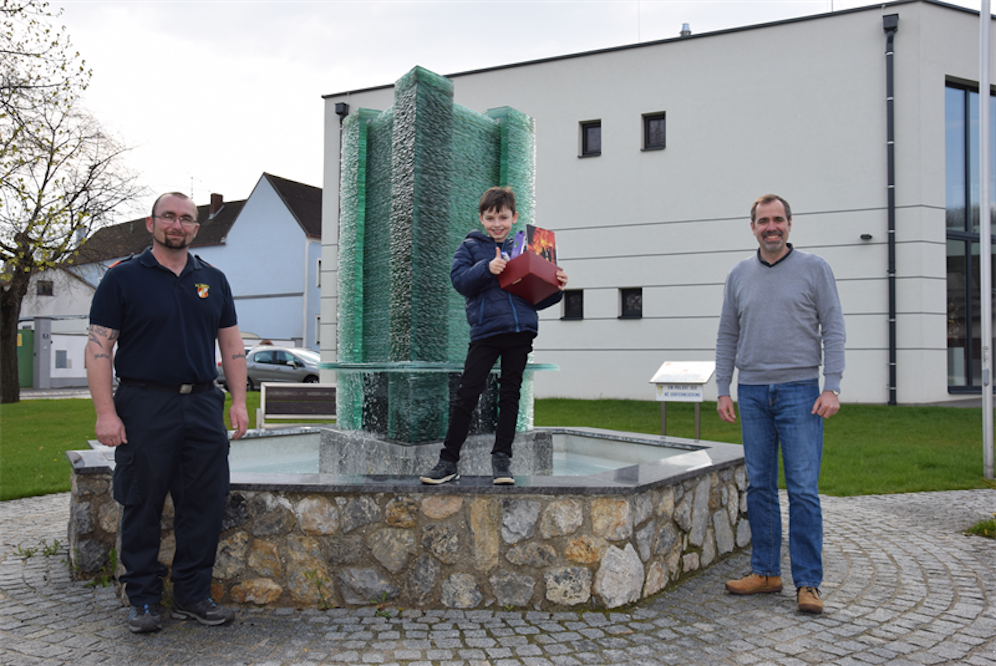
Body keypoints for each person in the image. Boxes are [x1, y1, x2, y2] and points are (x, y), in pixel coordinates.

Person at [85, 192, 249, 633]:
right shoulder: (122, 278)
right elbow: (100, 347)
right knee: (142, 501)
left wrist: (237, 401)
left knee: (205, 503)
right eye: (169, 217)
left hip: (201, 402)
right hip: (144, 403)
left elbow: (231, 346)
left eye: (186, 219)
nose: (177, 225)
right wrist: (106, 413)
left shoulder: (212, 279)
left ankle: (193, 596)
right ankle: (142, 599)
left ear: (196, 228)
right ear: (151, 223)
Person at [715, 194, 845, 615]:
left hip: (801, 393)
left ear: (790, 224)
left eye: (778, 220)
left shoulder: (814, 269)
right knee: (760, 487)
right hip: (752, 393)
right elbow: (727, 336)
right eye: (763, 221)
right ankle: (766, 572)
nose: (771, 227)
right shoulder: (738, 275)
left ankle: (808, 583)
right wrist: (723, 387)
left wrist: (832, 386)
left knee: (804, 491)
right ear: (752, 227)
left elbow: (834, 329)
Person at [421, 187, 568, 485]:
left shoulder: (527, 248)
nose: (497, 223)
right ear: (481, 218)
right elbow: (460, 281)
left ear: (514, 217)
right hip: (486, 332)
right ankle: (448, 461)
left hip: (520, 331)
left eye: (503, 217)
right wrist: (487, 268)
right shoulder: (470, 247)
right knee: (467, 395)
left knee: (510, 395)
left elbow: (538, 298)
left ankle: (502, 461)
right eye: (490, 218)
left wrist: (557, 286)